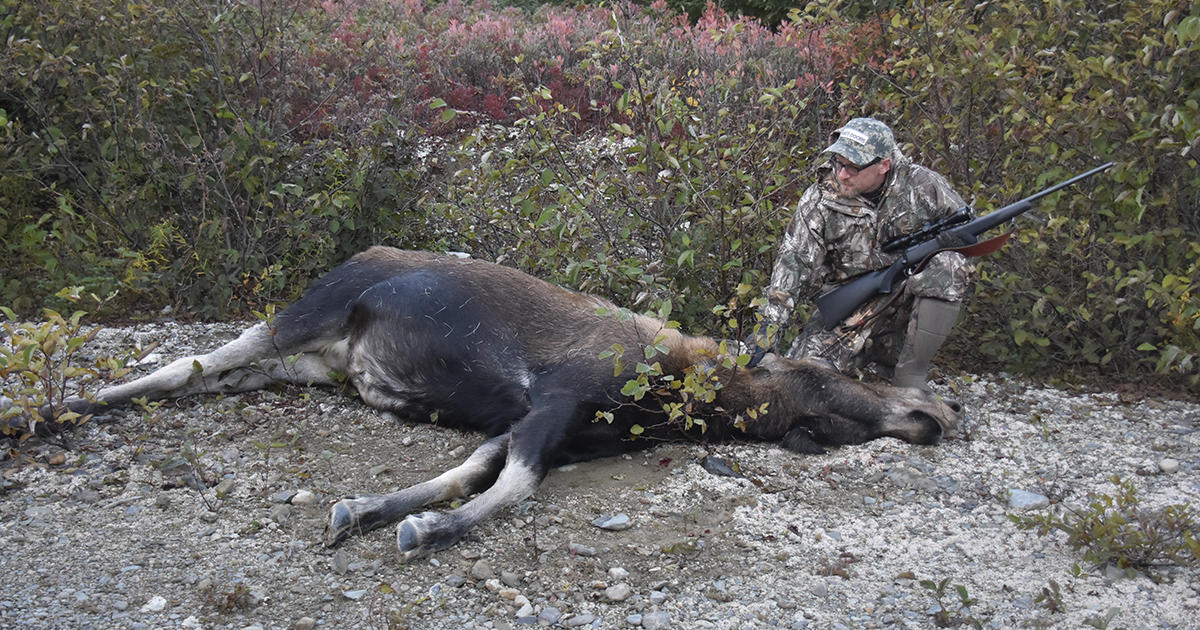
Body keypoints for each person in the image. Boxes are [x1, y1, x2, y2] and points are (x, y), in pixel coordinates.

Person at [754, 118, 974, 390]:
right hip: (850, 308)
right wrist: (767, 332)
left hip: (906, 299)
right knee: (803, 378)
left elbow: (968, 236)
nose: (842, 174)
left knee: (948, 264)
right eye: (838, 161)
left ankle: (911, 377)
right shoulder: (820, 199)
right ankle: (879, 358)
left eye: (853, 167)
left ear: (884, 164)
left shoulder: (924, 186)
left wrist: (957, 245)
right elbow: (793, 263)